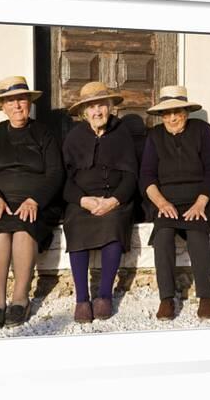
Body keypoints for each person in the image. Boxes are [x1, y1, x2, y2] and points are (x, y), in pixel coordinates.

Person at [0, 76, 64, 330]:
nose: (17, 105)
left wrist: (35, 200)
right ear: (3, 106)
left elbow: (56, 172)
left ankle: (21, 298)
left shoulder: (44, 134)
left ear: (29, 102)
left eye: (21, 99)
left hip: (37, 203)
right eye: (10, 101)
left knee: (24, 229)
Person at [139, 85, 210, 320]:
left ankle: (206, 296)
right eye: (168, 113)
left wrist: (201, 203)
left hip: (199, 199)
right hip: (166, 201)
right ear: (161, 115)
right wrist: (161, 203)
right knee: (163, 236)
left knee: (197, 235)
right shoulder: (155, 136)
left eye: (178, 112)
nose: (173, 117)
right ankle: (166, 299)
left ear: (186, 112)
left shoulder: (201, 131)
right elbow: (146, 175)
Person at [62, 82, 138, 323]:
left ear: (110, 108)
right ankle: (82, 299)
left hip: (115, 198)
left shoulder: (122, 133)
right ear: (84, 113)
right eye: (91, 107)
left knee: (114, 223)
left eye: (101, 106)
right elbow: (64, 178)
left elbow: (131, 175)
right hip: (83, 200)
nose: (97, 112)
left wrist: (114, 200)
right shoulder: (74, 137)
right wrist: (83, 200)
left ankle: (104, 295)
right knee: (75, 223)